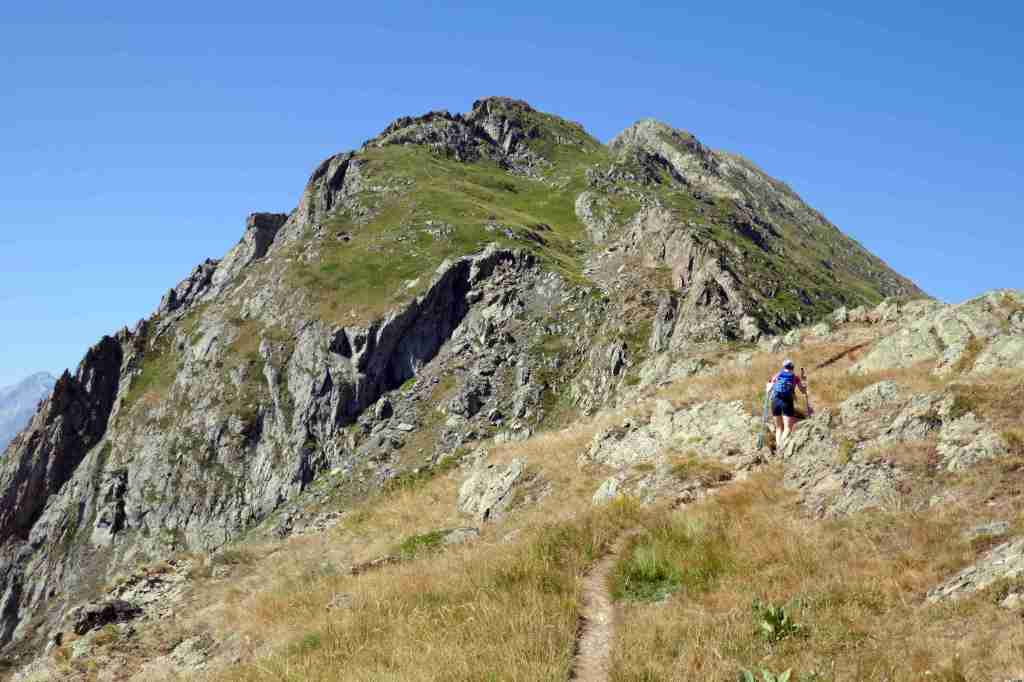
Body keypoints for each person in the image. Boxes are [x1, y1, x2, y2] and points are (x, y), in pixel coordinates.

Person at [766, 359, 807, 449]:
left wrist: (768, 387)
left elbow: (769, 386)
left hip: (775, 401)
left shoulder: (777, 375)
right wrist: (804, 383)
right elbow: (803, 391)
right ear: (792, 367)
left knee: (778, 427)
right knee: (788, 428)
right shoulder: (795, 377)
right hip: (786, 402)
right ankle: (782, 448)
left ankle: (778, 447)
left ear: (784, 367)